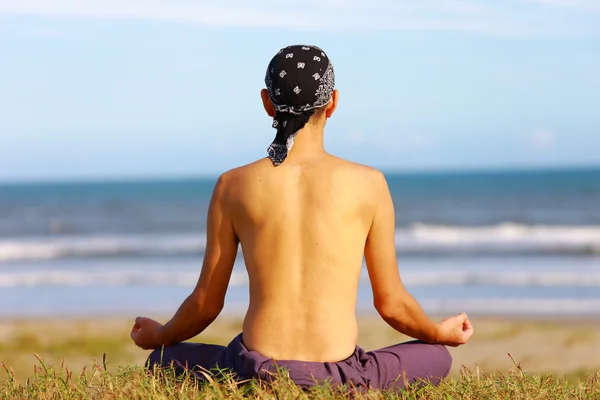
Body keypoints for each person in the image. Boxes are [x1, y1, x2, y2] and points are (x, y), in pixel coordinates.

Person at [130, 44, 474, 392]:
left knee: (162, 360)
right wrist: (436, 333)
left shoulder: (231, 185)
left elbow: (205, 304)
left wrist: (160, 335)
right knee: (437, 357)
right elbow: (391, 304)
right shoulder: (369, 183)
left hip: (255, 372)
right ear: (333, 102)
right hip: (339, 377)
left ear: (267, 103)